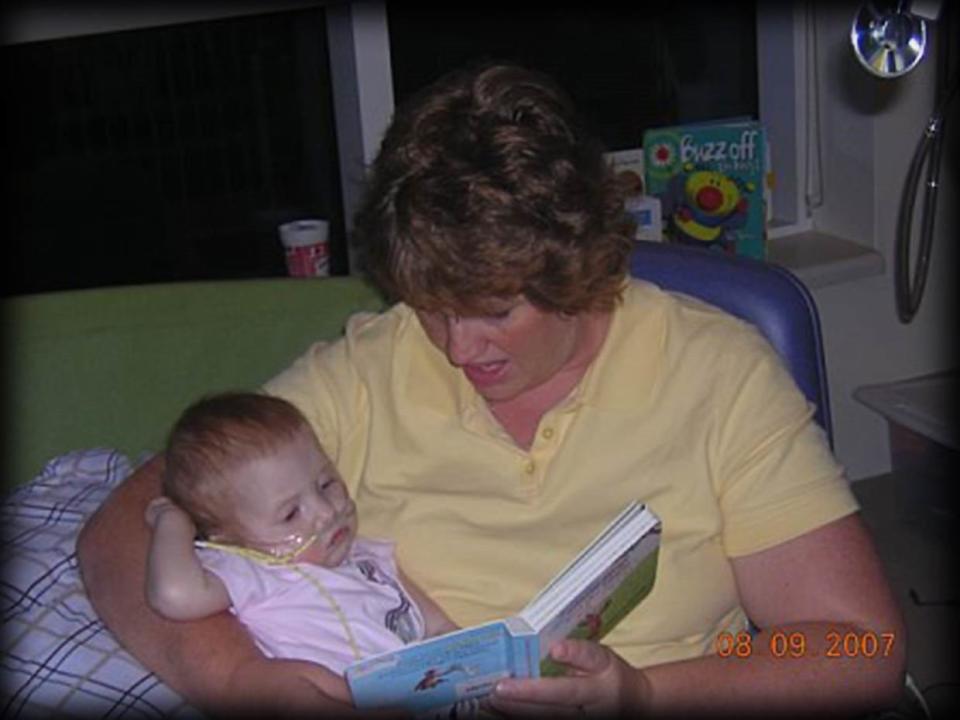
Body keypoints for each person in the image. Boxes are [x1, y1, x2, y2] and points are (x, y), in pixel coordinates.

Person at [78, 62, 906, 717]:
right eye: (431, 306)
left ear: (577, 263)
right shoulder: (374, 367)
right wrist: (242, 682)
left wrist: (649, 695)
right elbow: (124, 527)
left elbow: (862, 648)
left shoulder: (719, 373)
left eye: (493, 311)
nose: (455, 345)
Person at [144, 392, 456, 687]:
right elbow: (174, 595)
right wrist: (173, 521)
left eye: (326, 484)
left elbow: (441, 629)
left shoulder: (373, 560)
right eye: (291, 514)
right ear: (226, 539)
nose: (325, 512)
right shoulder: (255, 571)